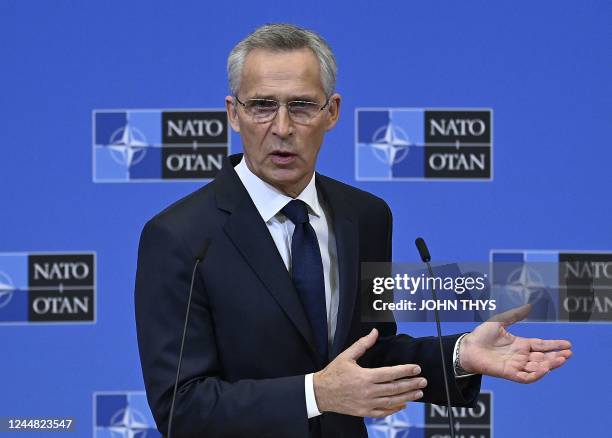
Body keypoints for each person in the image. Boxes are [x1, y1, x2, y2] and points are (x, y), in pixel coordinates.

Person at [134, 23, 572, 438]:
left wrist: (459, 355)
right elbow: (181, 407)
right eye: (263, 105)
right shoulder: (180, 236)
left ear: (332, 112)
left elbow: (371, 350)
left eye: (302, 105)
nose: (282, 127)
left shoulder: (364, 215)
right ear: (234, 114)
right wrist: (316, 394)